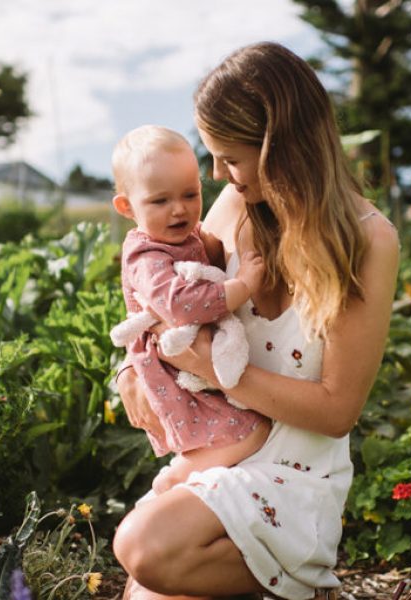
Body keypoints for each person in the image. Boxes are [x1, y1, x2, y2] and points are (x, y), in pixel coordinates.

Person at [111, 42, 399, 600]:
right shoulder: (234, 208)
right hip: (223, 451)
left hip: (295, 473)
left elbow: (338, 410)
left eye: (231, 157)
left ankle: (301, 580)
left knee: (145, 547)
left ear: (283, 148)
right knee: (147, 584)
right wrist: (128, 367)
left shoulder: (367, 240)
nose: (218, 173)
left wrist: (219, 372)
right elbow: (162, 294)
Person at [109, 125, 272, 494]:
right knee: (246, 431)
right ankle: (178, 477)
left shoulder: (186, 233)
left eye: (190, 193)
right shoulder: (145, 254)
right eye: (159, 201)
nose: (179, 209)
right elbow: (180, 306)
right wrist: (242, 285)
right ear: (126, 207)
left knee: (236, 431)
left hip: (193, 360)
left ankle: (199, 481)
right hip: (173, 365)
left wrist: (211, 248)